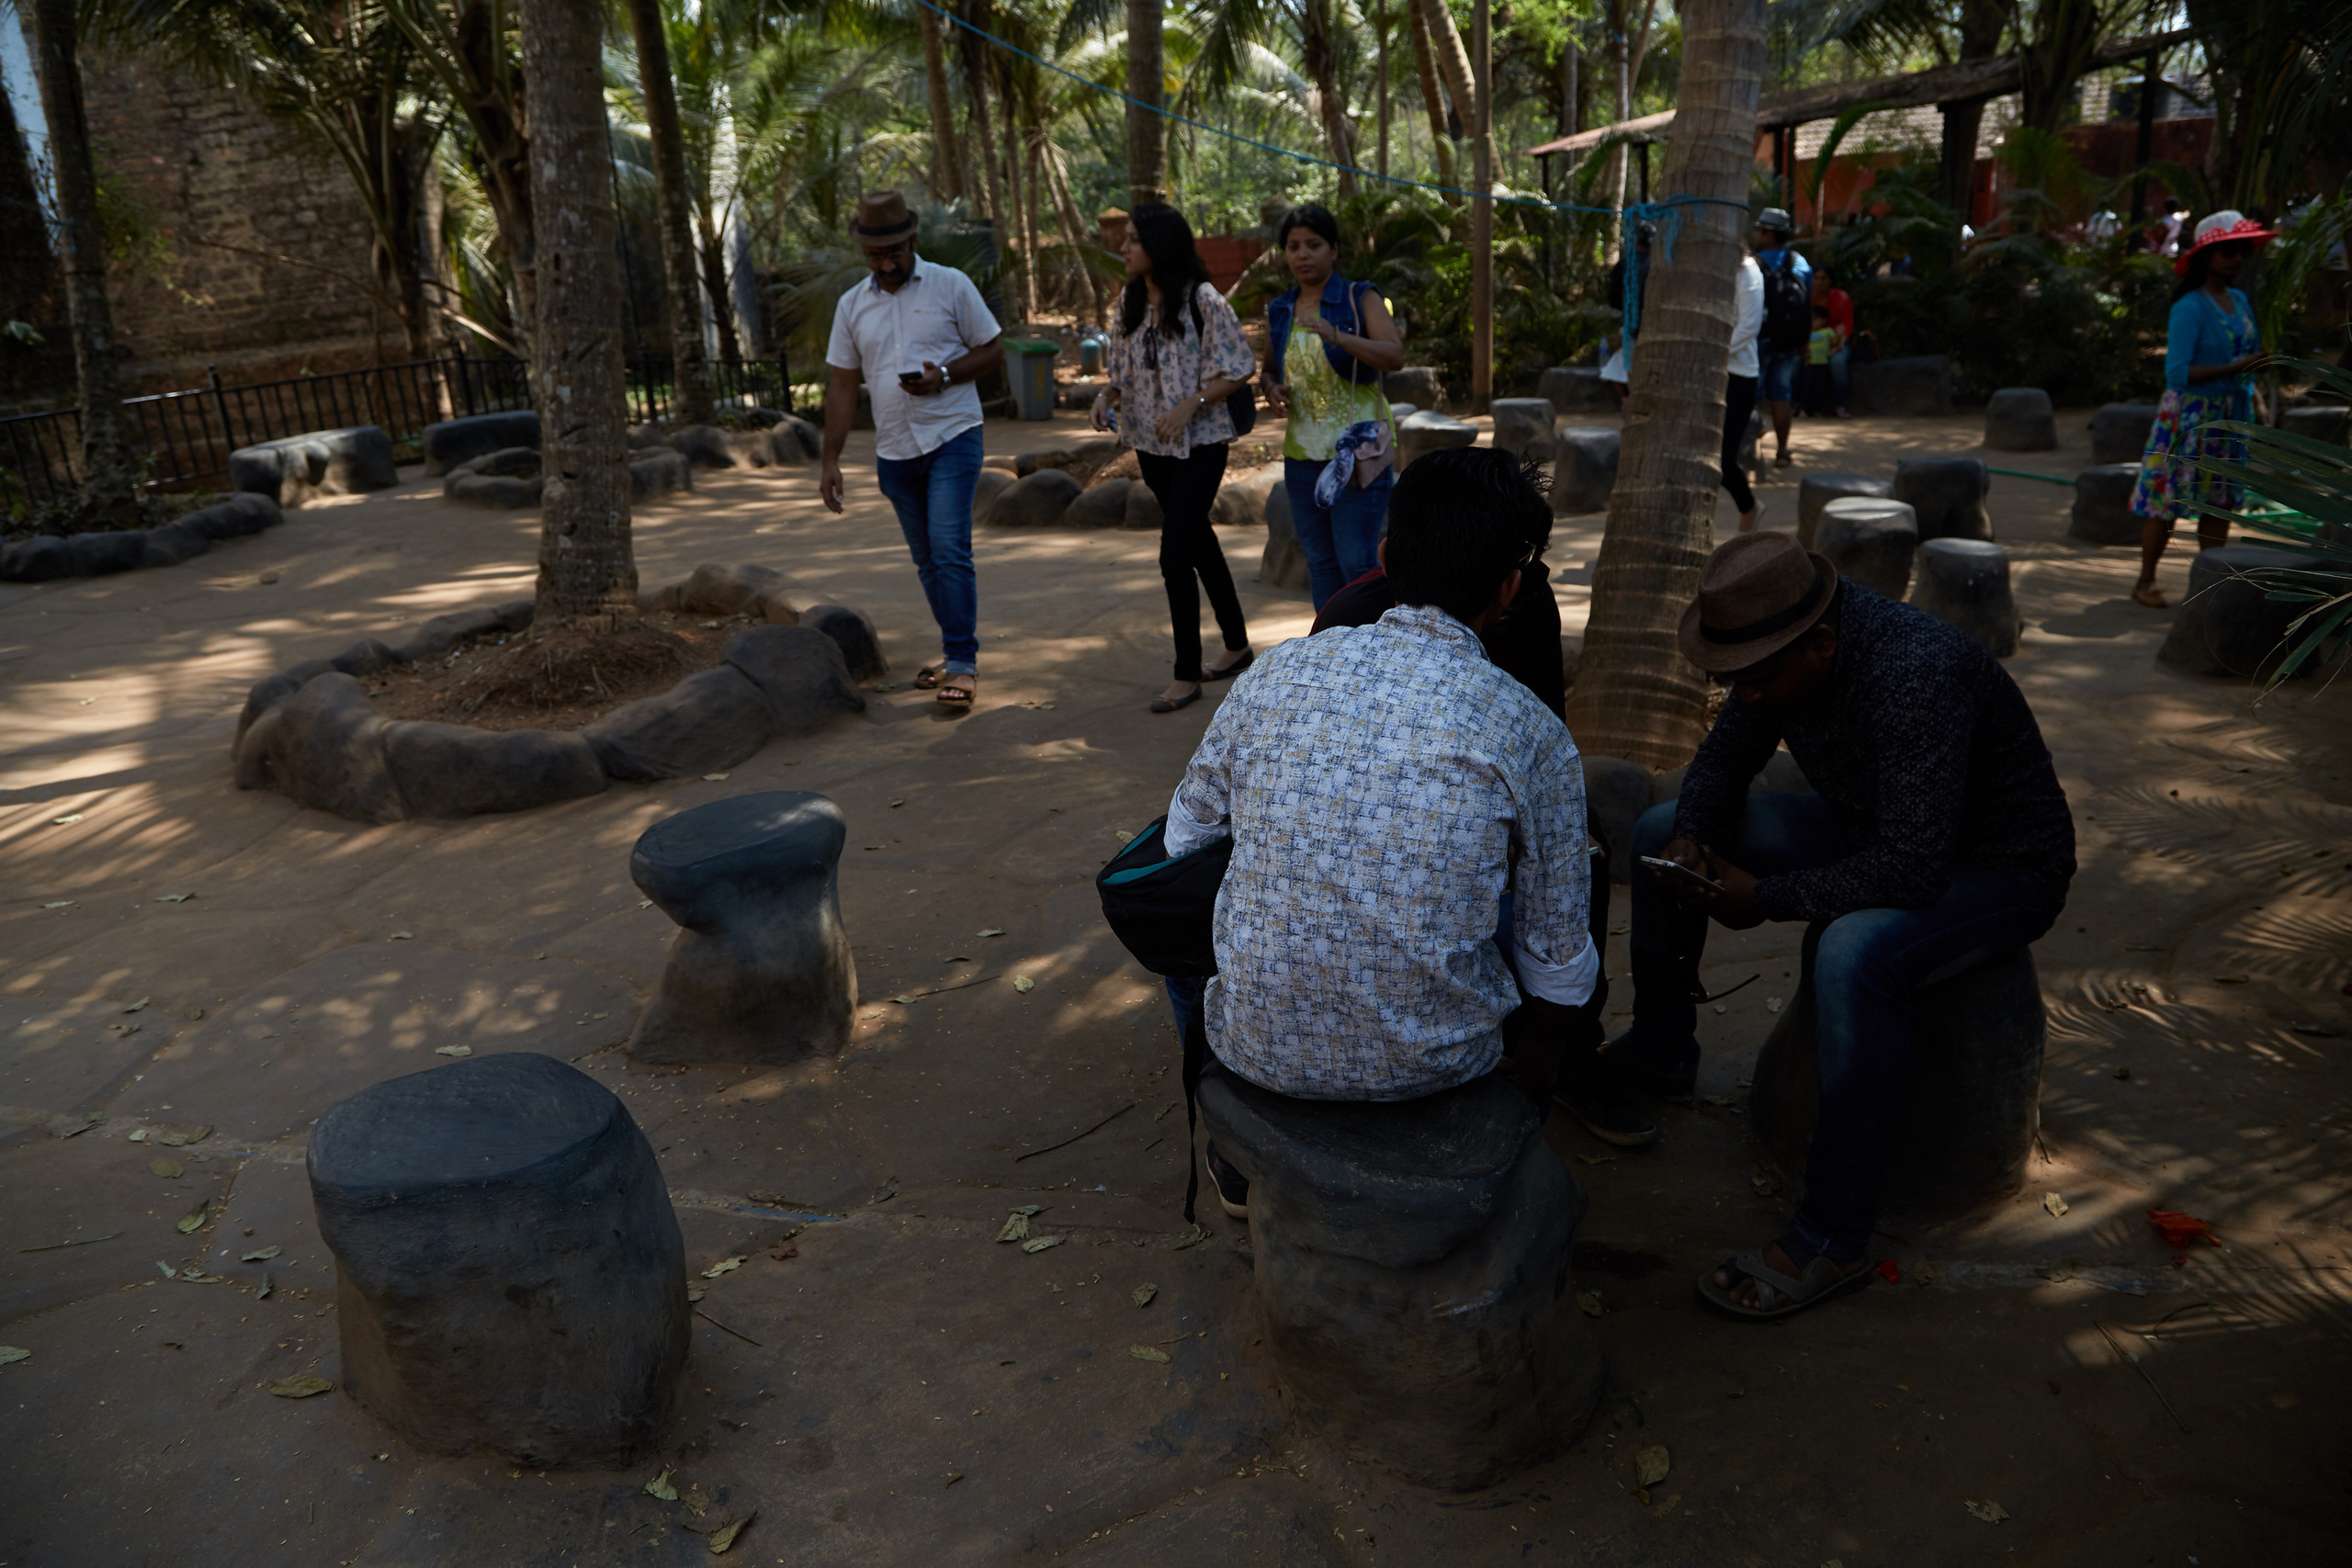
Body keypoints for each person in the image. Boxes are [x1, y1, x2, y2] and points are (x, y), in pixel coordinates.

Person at [1605, 533, 2075, 1315]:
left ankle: (1833, 1236)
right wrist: (1694, 833)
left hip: (1998, 866)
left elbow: (1915, 868)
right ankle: (1660, 1050)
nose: (1745, 698)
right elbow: (1722, 762)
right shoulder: (1781, 656)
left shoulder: (1913, 670)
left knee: (1853, 952)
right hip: (1877, 826)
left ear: (1821, 643)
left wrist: (1767, 896)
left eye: (1756, 682)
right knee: (1656, 833)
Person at [1162, 447, 1600, 1212]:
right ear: (1509, 588)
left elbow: (1182, 848)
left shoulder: (1275, 672)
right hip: (1443, 1066)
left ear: (1385, 554)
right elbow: (1560, 963)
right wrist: (1536, 1070)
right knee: (1516, 892)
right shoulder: (1530, 729)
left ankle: (1231, 1148)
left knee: (1189, 906)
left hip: (1253, 1050)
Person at [820, 190, 1005, 709]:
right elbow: (840, 385)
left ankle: (963, 664)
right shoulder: (852, 305)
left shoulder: (951, 284)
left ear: (912, 240)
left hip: (953, 434)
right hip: (895, 449)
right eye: (876, 255)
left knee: (949, 550)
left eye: (895, 252)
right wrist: (829, 459)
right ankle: (954, 649)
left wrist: (944, 376)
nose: (886, 262)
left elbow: (993, 349)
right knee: (927, 561)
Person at [1091, 203, 1259, 712]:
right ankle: (1237, 645)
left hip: (1202, 441)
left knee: (1174, 551)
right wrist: (1105, 397)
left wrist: (1194, 402)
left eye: (1134, 240)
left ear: (1160, 246)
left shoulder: (1203, 300)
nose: (1123, 248)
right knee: (1198, 539)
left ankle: (1187, 674)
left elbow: (1240, 367)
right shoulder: (1131, 300)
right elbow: (1121, 369)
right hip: (1150, 441)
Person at [1261, 204, 1408, 611]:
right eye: (1293, 247)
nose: (1302, 254)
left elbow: (1394, 355)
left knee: (1357, 561)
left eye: (1314, 244)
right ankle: (1333, 651)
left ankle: (1375, 654)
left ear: (1334, 250)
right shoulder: (1281, 309)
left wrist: (1337, 335)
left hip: (1356, 452)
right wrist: (1272, 389)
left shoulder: (1359, 297)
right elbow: (1268, 371)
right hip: (1302, 457)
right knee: (1321, 564)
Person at [2128, 209, 2274, 609]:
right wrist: (2237, 367)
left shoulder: (2240, 301)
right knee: (2167, 501)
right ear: (2207, 256)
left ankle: (2210, 586)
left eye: (2241, 251)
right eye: (2228, 251)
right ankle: (2145, 580)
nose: (2237, 259)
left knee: (2220, 502)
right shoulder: (2189, 307)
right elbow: (2177, 372)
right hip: (2188, 419)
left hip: (2229, 418)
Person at [1751, 208, 1813, 469]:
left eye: (1759, 229)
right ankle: (1782, 451)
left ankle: (1745, 450)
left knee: (1748, 397)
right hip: (1789, 342)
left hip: (1759, 340)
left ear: (1768, 233)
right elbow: (1806, 301)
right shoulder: (1799, 263)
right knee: (1782, 395)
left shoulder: (1753, 264)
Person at [1724, 245, 1765, 532]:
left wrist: (1713, 351)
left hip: (1740, 374)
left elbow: (1749, 326)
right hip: (1711, 372)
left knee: (1724, 458)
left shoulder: (1748, 269)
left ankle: (1749, 507)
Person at [1810, 265, 1855, 417]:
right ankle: (1801, 406)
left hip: (1838, 344)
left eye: (1823, 278)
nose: (1819, 282)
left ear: (1830, 281)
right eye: (1816, 278)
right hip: (1813, 345)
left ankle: (1840, 405)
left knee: (1838, 363)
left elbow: (1847, 325)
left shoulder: (1841, 297)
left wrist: (1838, 345)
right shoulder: (1808, 297)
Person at [1798, 304, 1840, 417]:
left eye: (1816, 318)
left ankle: (1816, 410)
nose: (1813, 322)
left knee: (1819, 388)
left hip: (1822, 364)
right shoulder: (1807, 332)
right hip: (1809, 364)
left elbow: (1835, 343)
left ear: (1824, 320)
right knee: (1806, 387)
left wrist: (1835, 348)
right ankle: (1802, 409)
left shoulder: (1828, 331)